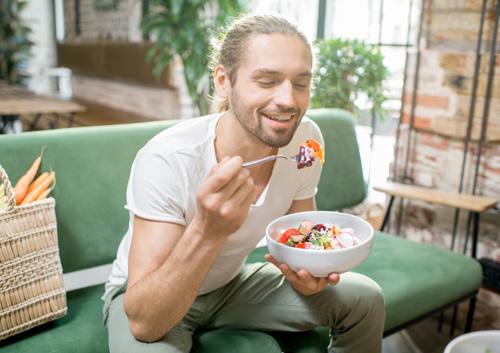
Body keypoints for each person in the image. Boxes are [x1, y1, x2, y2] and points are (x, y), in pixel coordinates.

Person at [102, 13, 385, 353]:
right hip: (153, 296)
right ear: (223, 80)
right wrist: (208, 230)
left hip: (230, 285)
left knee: (366, 298)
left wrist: (309, 272)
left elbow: (300, 234)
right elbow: (145, 323)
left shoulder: (306, 141)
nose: (288, 100)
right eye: (267, 81)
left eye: (300, 83)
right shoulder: (168, 158)